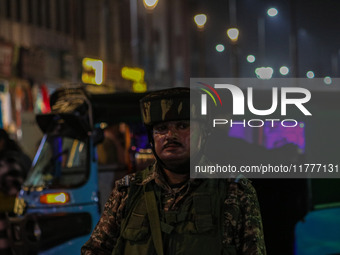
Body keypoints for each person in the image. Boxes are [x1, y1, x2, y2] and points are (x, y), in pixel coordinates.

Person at [81, 87, 266, 255]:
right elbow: (95, 251)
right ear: (152, 139)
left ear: (204, 134)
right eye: (161, 129)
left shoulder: (234, 190)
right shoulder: (128, 191)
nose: (171, 135)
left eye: (183, 126)